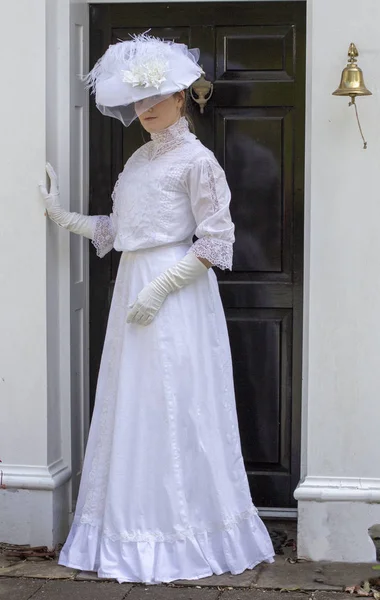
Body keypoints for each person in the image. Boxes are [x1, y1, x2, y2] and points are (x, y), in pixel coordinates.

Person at [39, 33, 274, 585]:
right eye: (138, 102)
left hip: (175, 297)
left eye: (155, 100)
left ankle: (184, 531)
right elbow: (121, 232)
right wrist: (63, 216)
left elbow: (215, 243)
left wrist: (160, 287)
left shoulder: (199, 161)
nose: (144, 111)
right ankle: (128, 523)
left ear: (180, 97)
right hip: (132, 284)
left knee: (176, 401)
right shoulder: (139, 161)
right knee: (135, 404)